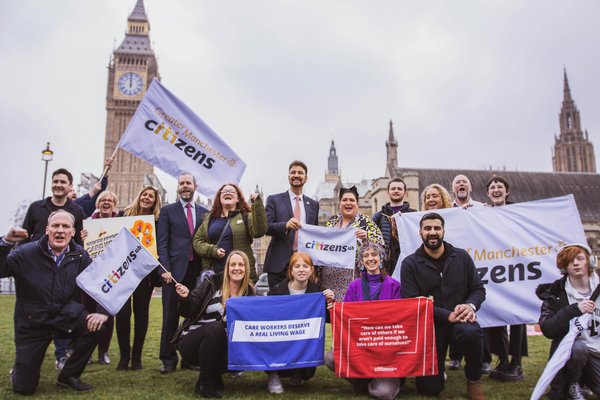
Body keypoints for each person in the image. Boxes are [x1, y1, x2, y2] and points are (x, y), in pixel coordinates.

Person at [0, 210, 108, 394]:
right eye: (55, 226)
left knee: (96, 326)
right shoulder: (26, 252)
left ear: (73, 232)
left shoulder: (80, 255)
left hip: (65, 315)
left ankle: (68, 376)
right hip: (32, 321)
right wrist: (6, 243)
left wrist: (102, 311)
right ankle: (21, 370)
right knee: (24, 388)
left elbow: (98, 283)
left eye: (65, 226)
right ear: (47, 230)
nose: (60, 230)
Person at [401, 213, 486, 400]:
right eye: (428, 228)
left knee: (472, 333)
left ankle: (474, 380)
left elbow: (478, 289)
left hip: (461, 323)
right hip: (430, 328)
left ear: (443, 231)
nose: (433, 232)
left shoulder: (462, 256)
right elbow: (412, 302)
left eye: (437, 228)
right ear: (420, 232)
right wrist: (446, 315)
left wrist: (470, 306)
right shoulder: (410, 264)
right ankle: (434, 374)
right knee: (429, 390)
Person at [20, 167, 86, 370]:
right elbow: (24, 236)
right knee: (30, 316)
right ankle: (25, 359)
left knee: (62, 312)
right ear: (52, 184)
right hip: (36, 271)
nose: (58, 185)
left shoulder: (77, 211)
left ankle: (61, 355)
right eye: (55, 181)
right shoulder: (35, 208)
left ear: (70, 187)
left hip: (63, 270)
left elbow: (78, 244)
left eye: (62, 182)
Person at [325, 242, 402, 400]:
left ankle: (391, 379)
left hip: (386, 351)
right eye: (365, 256)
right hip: (361, 347)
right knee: (331, 357)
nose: (370, 258)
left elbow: (402, 317)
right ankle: (361, 383)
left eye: (374, 255)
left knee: (384, 394)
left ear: (381, 259)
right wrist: (336, 309)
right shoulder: (354, 286)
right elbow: (346, 318)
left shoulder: (395, 285)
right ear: (361, 262)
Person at [173, 250, 255, 398]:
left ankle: (210, 376)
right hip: (193, 341)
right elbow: (188, 310)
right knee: (216, 327)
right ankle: (207, 384)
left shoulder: (249, 293)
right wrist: (186, 298)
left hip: (224, 346)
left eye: (241, 265)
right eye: (233, 264)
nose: (237, 268)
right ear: (227, 268)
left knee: (226, 337)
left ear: (246, 268)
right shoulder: (211, 283)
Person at [157, 173, 209, 374]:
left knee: (194, 317)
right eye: (182, 183)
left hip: (196, 272)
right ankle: (168, 360)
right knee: (170, 317)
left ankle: (189, 358)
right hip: (173, 273)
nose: (185, 186)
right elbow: (162, 242)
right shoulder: (168, 211)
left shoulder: (205, 213)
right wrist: (165, 269)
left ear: (195, 186)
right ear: (178, 187)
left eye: (188, 183)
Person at [537, 243, 599, 400]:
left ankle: (587, 384)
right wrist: (573, 309)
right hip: (576, 351)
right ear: (564, 267)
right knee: (578, 348)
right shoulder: (555, 294)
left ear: (590, 262)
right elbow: (548, 329)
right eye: (570, 261)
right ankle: (573, 384)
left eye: (580, 258)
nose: (576, 263)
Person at [266, 252, 335, 394]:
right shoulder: (275, 292)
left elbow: (328, 319)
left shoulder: (318, 293)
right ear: (291, 271)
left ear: (311, 270)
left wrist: (330, 303)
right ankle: (274, 375)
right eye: (297, 266)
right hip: (281, 338)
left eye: (305, 266)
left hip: (303, 341)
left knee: (308, 368)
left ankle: (299, 373)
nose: (301, 269)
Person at [485, 175, 527, 382]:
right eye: (492, 187)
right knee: (495, 318)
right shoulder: (482, 214)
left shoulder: (518, 212)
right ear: (487, 193)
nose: (496, 189)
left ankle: (516, 362)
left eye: (499, 186)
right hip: (493, 271)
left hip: (515, 269)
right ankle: (502, 359)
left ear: (506, 191)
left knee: (518, 318)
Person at [115, 185, 161, 371]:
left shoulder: (157, 221)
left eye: (151, 196)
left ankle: (136, 357)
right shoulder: (122, 216)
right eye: (145, 194)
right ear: (139, 196)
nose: (147, 198)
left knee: (141, 314)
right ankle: (124, 356)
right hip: (123, 271)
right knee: (123, 314)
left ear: (155, 201)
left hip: (144, 273)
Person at [320, 186, 384, 302]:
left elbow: (381, 250)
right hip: (328, 284)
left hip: (354, 283)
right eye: (344, 200)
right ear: (339, 204)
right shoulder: (332, 221)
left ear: (357, 204)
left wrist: (367, 239)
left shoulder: (366, 223)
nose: (348, 203)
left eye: (352, 200)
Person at [193, 183, 267, 282]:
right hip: (215, 275)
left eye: (232, 191)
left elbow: (259, 232)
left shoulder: (246, 216)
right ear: (219, 198)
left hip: (240, 275)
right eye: (224, 191)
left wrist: (257, 204)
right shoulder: (208, 219)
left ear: (238, 199)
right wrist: (213, 250)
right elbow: (197, 241)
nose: (228, 193)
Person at [263, 160, 319, 290]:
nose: (296, 175)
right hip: (278, 264)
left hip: (303, 264)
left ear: (306, 177)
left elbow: (314, 235)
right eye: (293, 172)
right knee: (278, 305)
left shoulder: (313, 205)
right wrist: (285, 225)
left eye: (300, 172)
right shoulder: (274, 200)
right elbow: (266, 227)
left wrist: (315, 266)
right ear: (289, 176)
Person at [449, 174, 485, 372]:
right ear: (453, 188)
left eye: (464, 181)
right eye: (457, 183)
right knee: (454, 305)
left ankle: (484, 359)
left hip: (483, 260)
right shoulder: (447, 211)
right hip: (456, 263)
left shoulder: (482, 209)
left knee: (485, 312)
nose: (461, 185)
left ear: (470, 187)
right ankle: (455, 357)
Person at [80, 190, 119, 366]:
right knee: (86, 312)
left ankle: (103, 352)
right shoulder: (88, 223)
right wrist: (82, 239)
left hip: (110, 275)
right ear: (98, 203)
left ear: (114, 205)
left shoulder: (120, 223)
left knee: (107, 314)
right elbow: (78, 248)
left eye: (110, 201)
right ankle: (86, 351)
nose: (106, 203)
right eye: (103, 200)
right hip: (91, 273)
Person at [372, 177, 415, 276]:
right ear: (388, 193)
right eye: (393, 188)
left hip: (408, 261)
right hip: (386, 264)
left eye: (399, 189)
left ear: (405, 193)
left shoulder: (412, 214)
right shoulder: (379, 216)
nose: (396, 191)